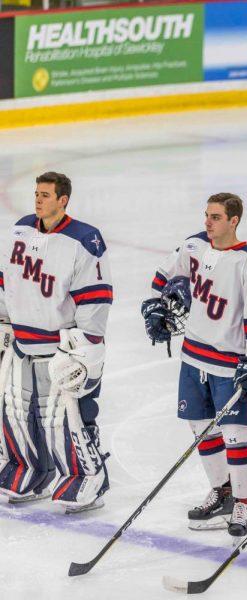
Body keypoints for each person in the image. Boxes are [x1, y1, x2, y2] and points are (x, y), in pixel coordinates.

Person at [141, 193, 247, 540]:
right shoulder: (193, 247)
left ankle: (243, 501)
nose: (208, 222)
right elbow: (162, 277)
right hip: (193, 356)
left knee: (237, 435)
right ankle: (222, 490)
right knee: (201, 427)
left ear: (234, 220)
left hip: (231, 363)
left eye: (215, 217)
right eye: (206, 215)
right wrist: (155, 305)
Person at [0, 171, 113, 514]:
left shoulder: (84, 240)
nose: (38, 199)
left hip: (60, 347)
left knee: (64, 420)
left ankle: (87, 477)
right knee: (15, 412)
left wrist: (86, 345)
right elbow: (7, 279)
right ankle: (29, 470)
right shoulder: (21, 229)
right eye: (36, 193)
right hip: (21, 339)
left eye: (46, 194)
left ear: (63, 200)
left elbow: (96, 297)